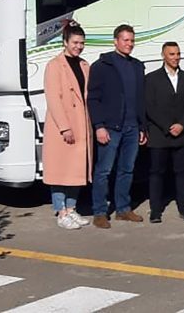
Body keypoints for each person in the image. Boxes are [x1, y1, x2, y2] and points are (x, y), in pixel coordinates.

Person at [87, 24, 147, 229]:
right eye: (125, 40)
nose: (129, 44)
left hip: (132, 127)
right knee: (103, 171)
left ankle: (123, 209)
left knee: (127, 170)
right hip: (110, 128)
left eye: (132, 40)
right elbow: (93, 98)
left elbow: (141, 99)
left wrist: (142, 127)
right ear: (115, 41)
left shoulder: (137, 66)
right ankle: (99, 212)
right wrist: (99, 126)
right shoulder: (101, 66)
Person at [41, 21, 93, 230]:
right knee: (60, 171)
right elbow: (53, 99)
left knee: (76, 171)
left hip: (82, 125)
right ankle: (61, 211)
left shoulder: (84, 65)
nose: (79, 46)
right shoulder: (54, 66)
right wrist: (65, 127)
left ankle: (71, 209)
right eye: (75, 42)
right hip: (62, 127)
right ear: (65, 42)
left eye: (81, 43)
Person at [145, 42, 184, 223]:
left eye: (178, 54)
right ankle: (155, 210)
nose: (176, 57)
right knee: (156, 173)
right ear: (163, 56)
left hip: (182, 134)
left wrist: (182, 125)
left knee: (182, 172)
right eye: (172, 54)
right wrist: (168, 126)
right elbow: (150, 107)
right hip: (160, 134)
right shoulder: (152, 78)